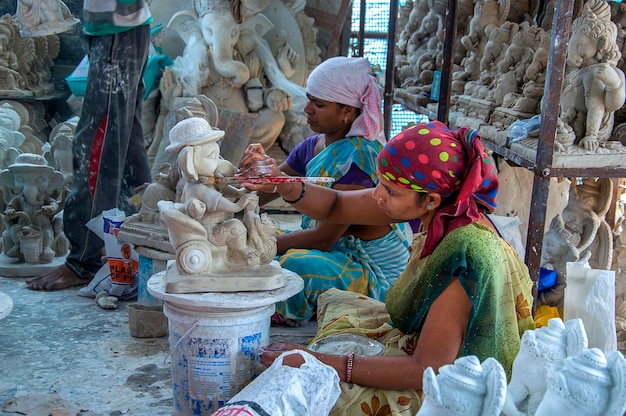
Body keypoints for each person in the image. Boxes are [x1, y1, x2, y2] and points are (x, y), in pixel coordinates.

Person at [238, 120, 535, 414]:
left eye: (390, 191)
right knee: (337, 299)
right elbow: (336, 205)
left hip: (449, 383)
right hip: (428, 349)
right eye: (380, 181)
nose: (377, 194)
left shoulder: (465, 254)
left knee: (315, 396)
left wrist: (318, 361)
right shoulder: (438, 205)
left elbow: (426, 368)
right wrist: (280, 181)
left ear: (430, 200)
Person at [255, 56, 411, 326]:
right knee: (268, 236)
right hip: (335, 252)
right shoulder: (313, 146)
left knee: (294, 265)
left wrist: (259, 248)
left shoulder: (358, 161)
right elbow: (272, 187)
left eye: (319, 104)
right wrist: (238, 187)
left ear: (347, 111)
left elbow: (323, 238)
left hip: (373, 273)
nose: (308, 109)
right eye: (309, 99)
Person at [26, 1, 153, 290]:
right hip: (113, 28)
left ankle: (85, 259)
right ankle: (141, 243)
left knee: (96, 144)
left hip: (119, 29)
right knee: (125, 140)